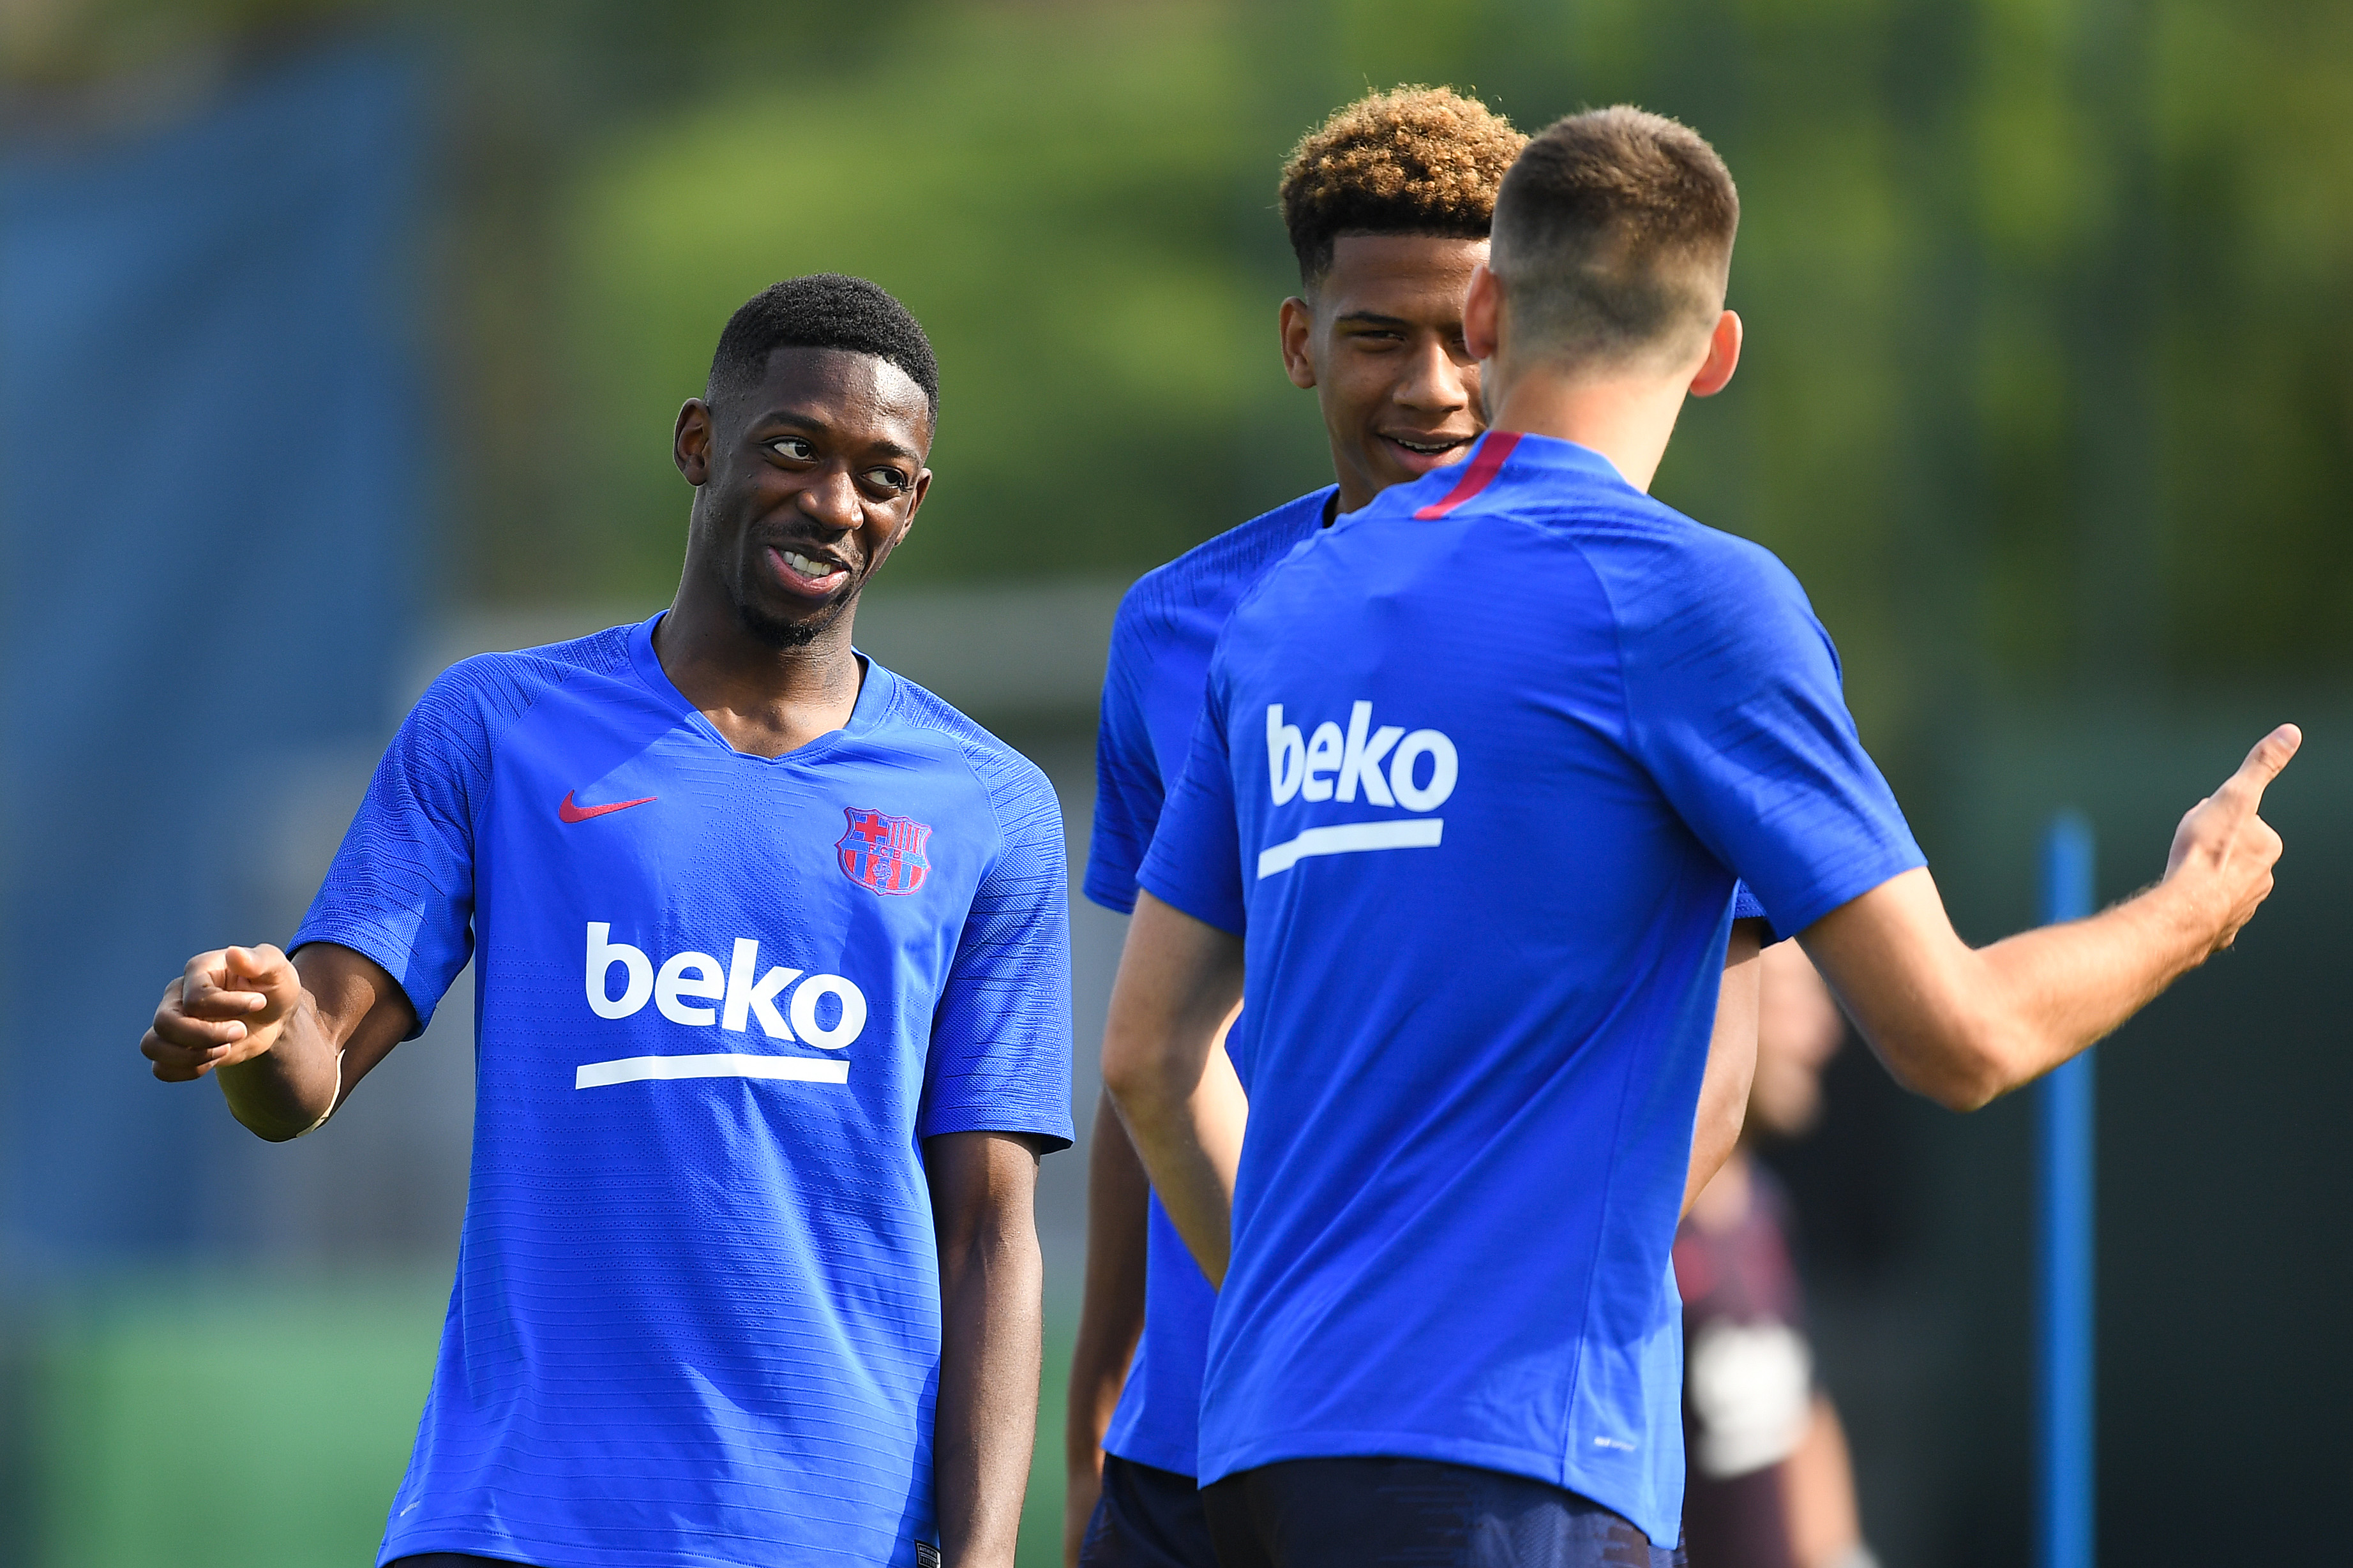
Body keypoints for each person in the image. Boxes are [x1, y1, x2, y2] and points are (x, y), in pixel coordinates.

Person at [1102, 104, 2294, 1568]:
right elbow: (1957, 1037)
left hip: (1260, 1458)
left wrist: (1297, 1327)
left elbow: (1148, 1059)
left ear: (1482, 311)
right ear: (1718, 352)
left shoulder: (1283, 609)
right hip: (1513, 1464)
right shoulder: (1689, 603)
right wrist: (2188, 906)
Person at [140, 275, 1072, 1568]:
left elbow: (987, 1231)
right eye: (793, 447)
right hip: (513, 1520)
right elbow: (313, 1068)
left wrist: (978, 1557)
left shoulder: (989, 809)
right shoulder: (496, 726)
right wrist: (252, 1029)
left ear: (911, 503)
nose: (831, 502)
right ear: (701, 443)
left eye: (880, 473)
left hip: (830, 1532)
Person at [1064, 86, 1529, 1568]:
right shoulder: (1174, 631)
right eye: (1380, 336)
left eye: (1470, 335)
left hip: (1453, 1441)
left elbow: (1702, 1076)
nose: (1433, 387)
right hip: (1190, 1448)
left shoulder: (1622, 613)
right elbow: (1151, 1045)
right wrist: (1100, 1380)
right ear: (1297, 342)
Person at [1676, 941, 1874, 1568]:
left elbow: (1803, 1410)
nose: (1823, 1033)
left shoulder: (1767, 1210)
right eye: (1795, 997)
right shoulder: (1643, 1225)